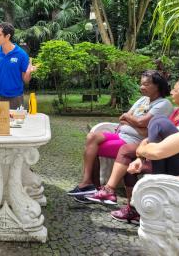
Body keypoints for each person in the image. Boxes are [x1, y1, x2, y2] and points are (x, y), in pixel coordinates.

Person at [85, 81, 179, 224]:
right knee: (129, 160)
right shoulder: (176, 111)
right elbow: (147, 131)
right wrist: (142, 152)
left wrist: (144, 153)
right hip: (159, 150)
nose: (172, 93)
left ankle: (110, 190)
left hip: (171, 157)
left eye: (178, 89)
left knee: (130, 147)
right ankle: (132, 207)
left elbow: (155, 132)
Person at [67, 70, 173, 198]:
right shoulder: (143, 100)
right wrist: (135, 123)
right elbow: (123, 118)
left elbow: (141, 122)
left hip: (135, 141)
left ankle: (93, 187)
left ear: (158, 86)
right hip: (122, 135)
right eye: (141, 84)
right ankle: (89, 183)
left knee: (93, 149)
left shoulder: (163, 104)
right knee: (92, 136)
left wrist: (133, 120)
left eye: (146, 84)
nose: (141, 87)